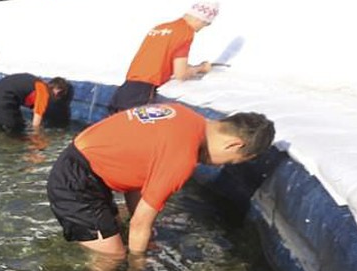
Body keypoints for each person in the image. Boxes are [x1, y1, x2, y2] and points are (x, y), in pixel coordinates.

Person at [45, 103, 274, 261]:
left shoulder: (182, 114)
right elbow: (140, 225)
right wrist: (136, 270)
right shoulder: (182, 157)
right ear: (234, 145)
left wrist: (142, 234)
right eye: (232, 161)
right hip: (75, 183)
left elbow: (139, 175)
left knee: (119, 233)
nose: (223, 165)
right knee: (112, 260)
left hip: (85, 167)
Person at [108, 0, 218, 113]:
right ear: (199, 19)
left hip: (126, 87)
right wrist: (201, 68)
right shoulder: (185, 32)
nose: (201, 29)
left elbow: (157, 57)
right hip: (144, 90)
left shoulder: (160, 27)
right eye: (206, 24)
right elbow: (181, 74)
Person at [0, 73, 71, 133]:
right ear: (57, 91)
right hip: (3, 104)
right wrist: (37, 140)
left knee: (2, 131)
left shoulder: (34, 83)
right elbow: (36, 124)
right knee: (17, 134)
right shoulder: (43, 91)